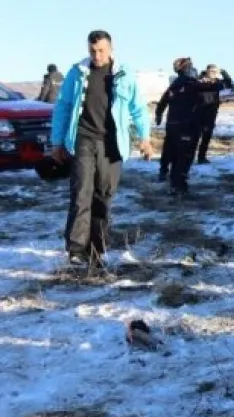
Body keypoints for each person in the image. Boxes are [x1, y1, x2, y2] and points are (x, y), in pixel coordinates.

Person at [49, 30, 154, 268]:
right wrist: (57, 142)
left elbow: (138, 108)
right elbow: (63, 107)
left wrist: (144, 139)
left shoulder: (124, 75)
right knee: (81, 193)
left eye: (101, 51)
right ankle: (76, 250)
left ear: (111, 49)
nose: (96, 55)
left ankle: (97, 248)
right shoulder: (77, 73)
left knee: (104, 195)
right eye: (92, 51)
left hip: (112, 143)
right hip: (82, 139)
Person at [154, 57, 221, 196]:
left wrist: (159, 115)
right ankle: (179, 185)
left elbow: (162, 103)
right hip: (188, 126)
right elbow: (215, 91)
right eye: (191, 66)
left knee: (171, 152)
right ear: (186, 68)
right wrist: (218, 79)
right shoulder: (193, 85)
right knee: (184, 156)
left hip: (173, 125)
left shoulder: (175, 85)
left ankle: (170, 178)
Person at [194, 64, 226, 164]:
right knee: (194, 137)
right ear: (207, 71)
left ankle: (201, 157)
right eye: (211, 71)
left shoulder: (217, 83)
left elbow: (228, 84)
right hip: (198, 113)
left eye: (215, 72)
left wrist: (223, 72)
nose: (213, 74)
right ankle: (189, 157)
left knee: (206, 137)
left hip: (211, 113)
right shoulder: (199, 81)